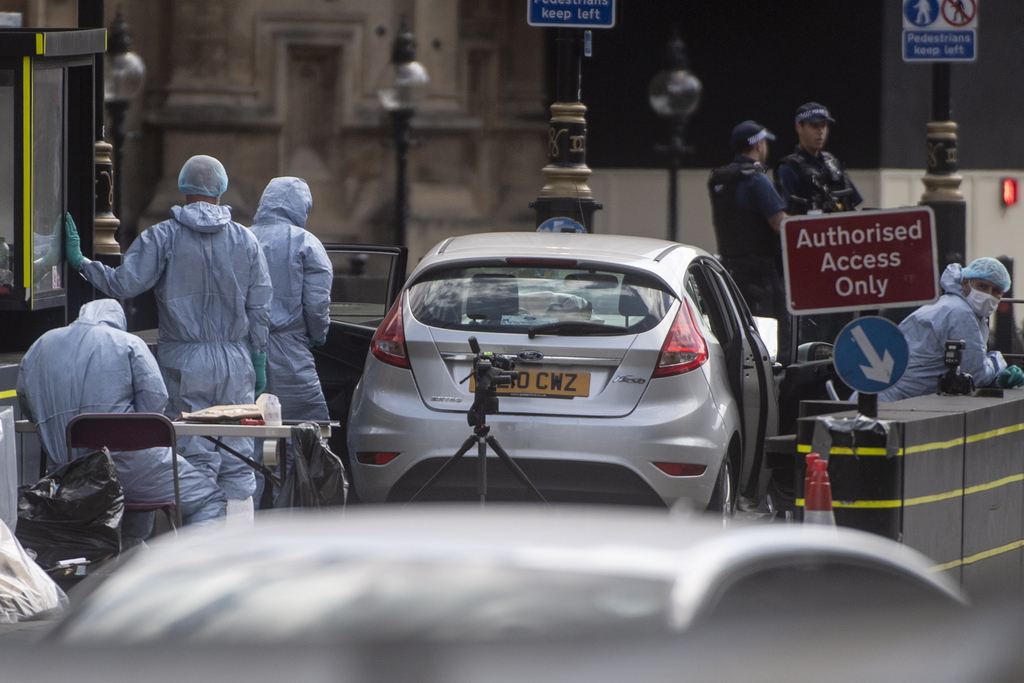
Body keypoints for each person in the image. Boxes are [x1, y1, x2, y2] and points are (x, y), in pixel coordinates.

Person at [64, 155, 273, 520]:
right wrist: (257, 358)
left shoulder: (163, 236)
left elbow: (124, 284)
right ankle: (239, 545)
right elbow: (261, 307)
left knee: (192, 454)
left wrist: (81, 261)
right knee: (239, 456)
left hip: (184, 362)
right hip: (236, 361)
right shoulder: (246, 240)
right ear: (220, 188)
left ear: (184, 185)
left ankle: (198, 547)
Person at [17, 299, 227, 534]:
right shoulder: (128, 343)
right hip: (130, 468)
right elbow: (153, 405)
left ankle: (124, 561)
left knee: (128, 505)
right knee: (208, 498)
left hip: (69, 474)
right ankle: (192, 569)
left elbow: (27, 405)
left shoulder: (39, 345)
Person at [249, 177, 333, 506]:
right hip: (290, 353)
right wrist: (317, 333)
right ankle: (296, 517)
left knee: (246, 438)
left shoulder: (241, 236)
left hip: (242, 351)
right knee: (307, 434)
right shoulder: (305, 242)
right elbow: (316, 304)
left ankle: (246, 517)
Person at [878, 258, 1024, 401]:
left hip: (884, 396)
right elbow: (976, 375)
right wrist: (998, 361)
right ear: (965, 283)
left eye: (996, 290)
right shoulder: (960, 312)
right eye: (982, 286)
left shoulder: (951, 305)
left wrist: (997, 380)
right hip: (892, 403)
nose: (988, 294)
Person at [708, 120, 790, 350]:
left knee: (741, 328)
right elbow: (779, 223)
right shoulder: (756, 178)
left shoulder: (721, 178)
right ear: (759, 145)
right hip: (761, 273)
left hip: (731, 267)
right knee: (772, 331)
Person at [774, 102, 862, 216]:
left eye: (824, 125)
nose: (821, 132)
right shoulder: (788, 169)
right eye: (815, 126)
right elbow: (786, 217)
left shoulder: (833, 163)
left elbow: (852, 203)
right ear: (799, 128)